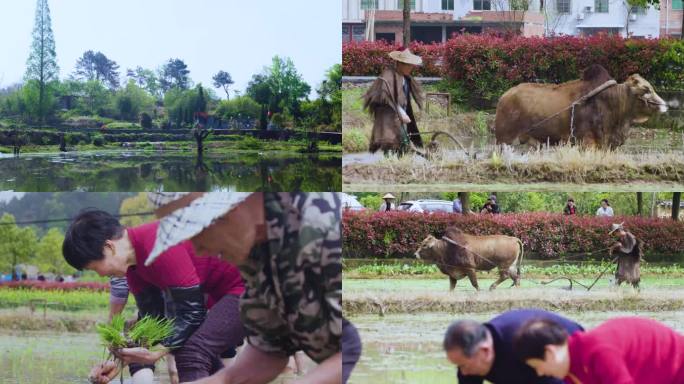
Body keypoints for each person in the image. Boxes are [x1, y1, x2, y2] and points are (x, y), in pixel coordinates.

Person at [142, 192, 355, 384]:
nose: (198, 251)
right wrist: (223, 380)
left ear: (227, 211)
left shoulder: (316, 224)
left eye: (196, 234)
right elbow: (271, 347)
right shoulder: (251, 248)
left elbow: (347, 347)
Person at [62, 210, 246, 383]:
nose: (101, 275)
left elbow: (192, 313)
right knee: (183, 345)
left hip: (252, 287)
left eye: (94, 268)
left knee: (192, 351)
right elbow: (153, 322)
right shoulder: (133, 270)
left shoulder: (157, 241)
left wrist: (156, 352)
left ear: (109, 247)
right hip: (219, 297)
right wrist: (119, 359)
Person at [512, 316, 684, 384]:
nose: (540, 373)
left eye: (537, 365)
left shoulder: (600, 351)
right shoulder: (572, 371)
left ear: (549, 352)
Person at [443, 309, 583, 384]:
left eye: (463, 366)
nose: (463, 373)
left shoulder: (521, 344)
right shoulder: (470, 360)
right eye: (459, 367)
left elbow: (554, 379)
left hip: (572, 360)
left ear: (484, 351)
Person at [363, 48, 424, 154]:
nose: (411, 68)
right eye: (408, 65)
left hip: (401, 115)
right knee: (392, 140)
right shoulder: (388, 75)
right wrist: (401, 112)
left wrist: (404, 112)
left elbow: (404, 98)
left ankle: (403, 160)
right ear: (399, 63)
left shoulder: (406, 78)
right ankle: (390, 163)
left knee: (405, 140)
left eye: (411, 65)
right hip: (389, 114)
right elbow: (386, 97)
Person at [608, 223, 643, 289]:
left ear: (618, 231)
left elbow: (629, 249)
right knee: (619, 277)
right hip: (624, 262)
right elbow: (619, 250)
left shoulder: (630, 236)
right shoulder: (620, 238)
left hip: (632, 263)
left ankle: (637, 294)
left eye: (614, 233)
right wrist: (613, 248)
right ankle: (614, 292)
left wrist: (620, 247)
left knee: (634, 280)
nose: (615, 235)